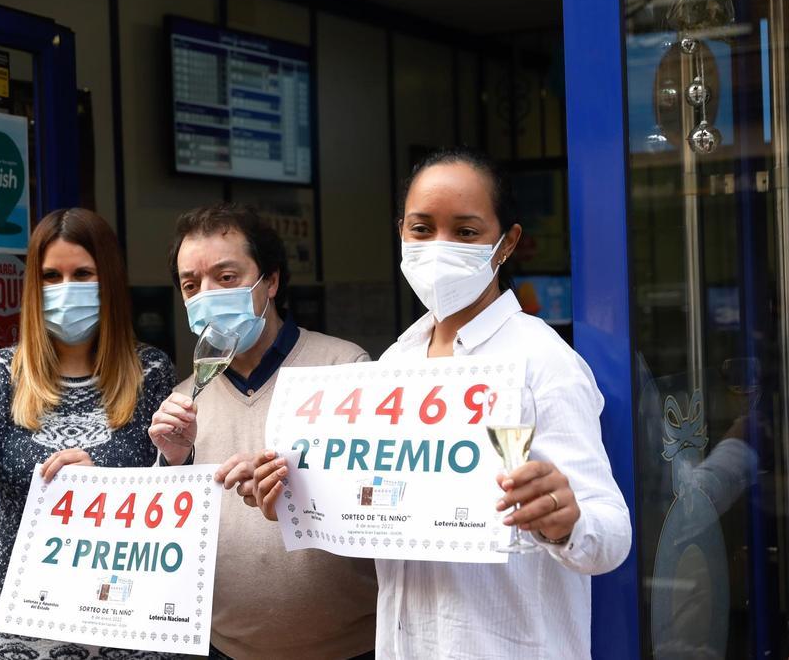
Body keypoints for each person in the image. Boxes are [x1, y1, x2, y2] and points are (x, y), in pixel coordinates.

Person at [252, 148, 632, 658]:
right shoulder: (393, 365)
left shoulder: (542, 361)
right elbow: (377, 508)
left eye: (467, 232)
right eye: (422, 229)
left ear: (507, 243)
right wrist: (295, 497)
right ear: (401, 233)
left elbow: (610, 536)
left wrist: (566, 522)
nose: (439, 247)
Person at [0, 208, 178, 660]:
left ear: (109, 282)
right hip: (21, 632)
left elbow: (174, 493)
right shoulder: (2, 371)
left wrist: (101, 479)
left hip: (123, 625)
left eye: (82, 273)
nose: (66, 289)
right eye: (50, 276)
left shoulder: (152, 372)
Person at [148, 203, 377, 659]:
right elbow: (164, 541)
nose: (207, 294)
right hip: (224, 649)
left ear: (270, 282)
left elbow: (380, 498)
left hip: (351, 647)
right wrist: (171, 461)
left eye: (227, 277)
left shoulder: (345, 368)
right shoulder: (183, 400)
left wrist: (297, 489)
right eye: (191, 285)